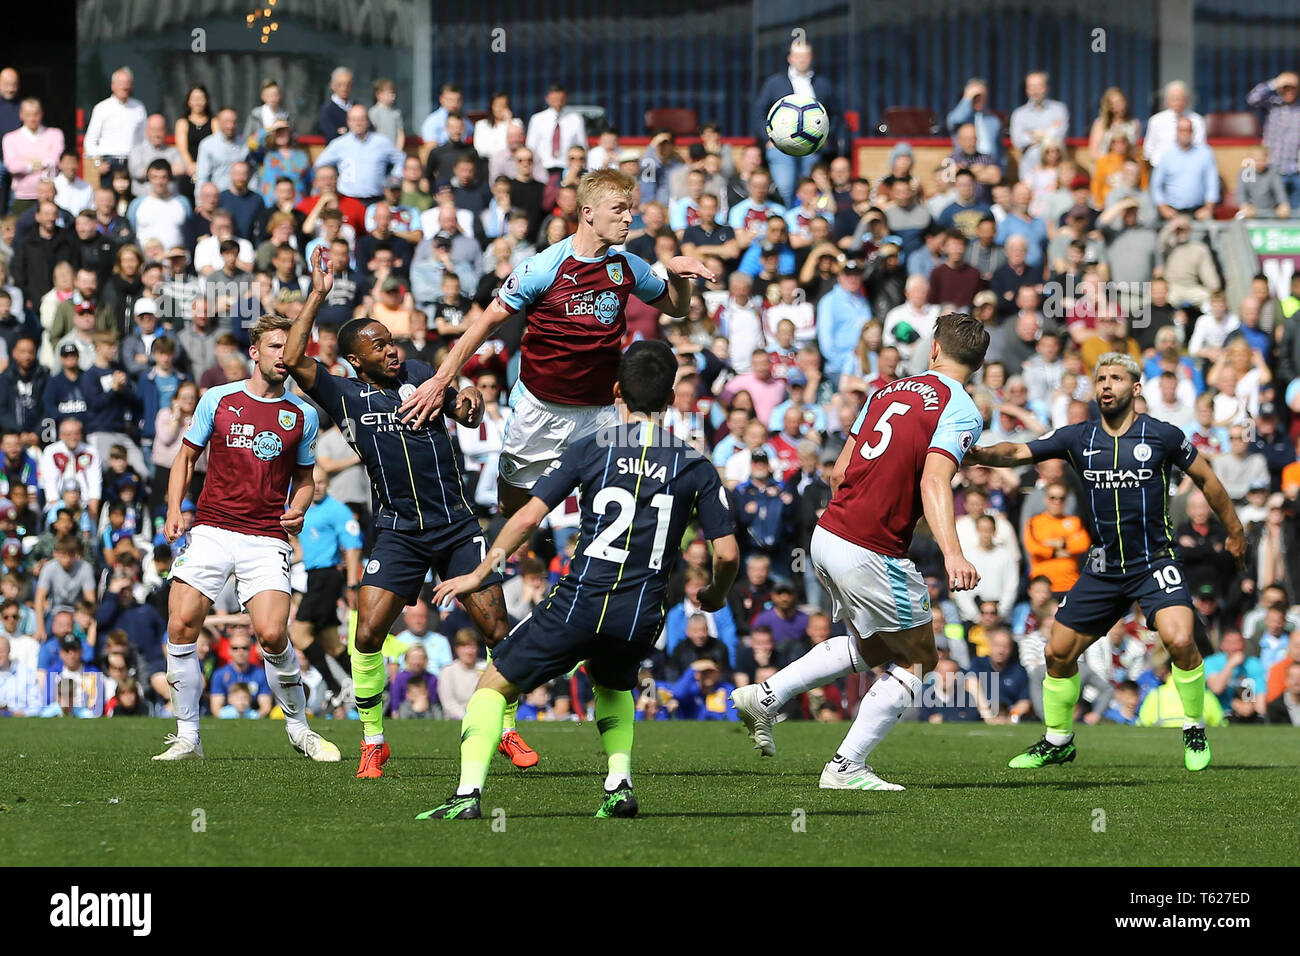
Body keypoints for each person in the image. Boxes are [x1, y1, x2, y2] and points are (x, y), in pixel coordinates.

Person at [417, 340, 739, 820]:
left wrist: (480, 573)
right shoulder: (695, 464)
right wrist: (714, 594)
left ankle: (467, 796)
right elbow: (728, 553)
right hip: (641, 614)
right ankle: (619, 784)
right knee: (613, 684)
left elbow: (527, 517)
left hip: (580, 601)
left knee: (493, 686)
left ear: (615, 391)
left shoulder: (592, 448)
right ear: (670, 400)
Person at [282, 248, 532, 779]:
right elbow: (293, 359)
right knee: (367, 635)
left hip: (458, 526)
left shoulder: (419, 371)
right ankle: (374, 740)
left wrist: (466, 403)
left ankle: (506, 727)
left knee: (497, 630)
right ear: (355, 360)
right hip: (397, 532)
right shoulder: (343, 394)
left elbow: (463, 400)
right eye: (378, 347)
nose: (391, 352)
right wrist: (318, 294)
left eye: (390, 341)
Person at [732, 312, 989, 790]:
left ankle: (768, 695)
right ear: (978, 361)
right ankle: (845, 766)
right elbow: (935, 480)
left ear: (933, 349)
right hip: (871, 546)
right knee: (918, 660)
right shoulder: (962, 408)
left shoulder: (886, 390)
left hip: (828, 532)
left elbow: (838, 472)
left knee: (873, 647)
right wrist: (953, 553)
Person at [969, 352, 1247, 772]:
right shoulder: (1078, 437)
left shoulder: (1163, 436)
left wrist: (1237, 533)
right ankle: (1058, 740)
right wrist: (972, 454)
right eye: (1100, 378)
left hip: (1155, 562)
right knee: (1056, 652)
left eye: (1115, 378)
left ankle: (1193, 727)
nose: (1105, 385)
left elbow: (1207, 480)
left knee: (1179, 638)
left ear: (1135, 388)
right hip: (1103, 568)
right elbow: (1017, 451)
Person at [397, 169, 709, 519]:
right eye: (619, 208)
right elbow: (482, 325)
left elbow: (676, 307)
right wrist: (441, 380)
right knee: (511, 508)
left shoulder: (627, 267)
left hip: (600, 414)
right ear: (588, 212)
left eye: (630, 209)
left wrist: (678, 277)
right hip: (539, 412)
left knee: (607, 510)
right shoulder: (543, 268)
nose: (629, 217)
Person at [152, 302, 339, 762]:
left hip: (266, 537)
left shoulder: (303, 416)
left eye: (290, 347)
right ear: (255, 352)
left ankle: (299, 730)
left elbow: (306, 480)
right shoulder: (219, 398)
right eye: (275, 346)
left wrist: (298, 508)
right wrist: (175, 508)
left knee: (274, 634)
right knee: (180, 623)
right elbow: (185, 457)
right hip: (212, 528)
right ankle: (188, 737)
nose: (283, 354)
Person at [292, 466, 362, 708]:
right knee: (332, 643)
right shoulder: (300, 508)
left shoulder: (337, 510)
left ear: (328, 484)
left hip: (327, 577)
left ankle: (334, 686)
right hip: (313, 575)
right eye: (314, 482)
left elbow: (353, 546)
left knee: (298, 634)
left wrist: (352, 584)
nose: (318, 486)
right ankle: (367, 688)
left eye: (322, 482)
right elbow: (300, 548)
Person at [751, 40, 841, 205]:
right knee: (785, 187)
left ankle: (808, 223)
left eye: (805, 56)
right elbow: (759, 113)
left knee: (809, 188)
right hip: (781, 147)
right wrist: (768, 138)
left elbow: (835, 114)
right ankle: (786, 223)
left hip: (812, 147)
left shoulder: (823, 84)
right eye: (797, 56)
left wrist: (827, 136)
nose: (801, 60)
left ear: (811, 57)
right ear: (790, 58)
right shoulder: (774, 83)